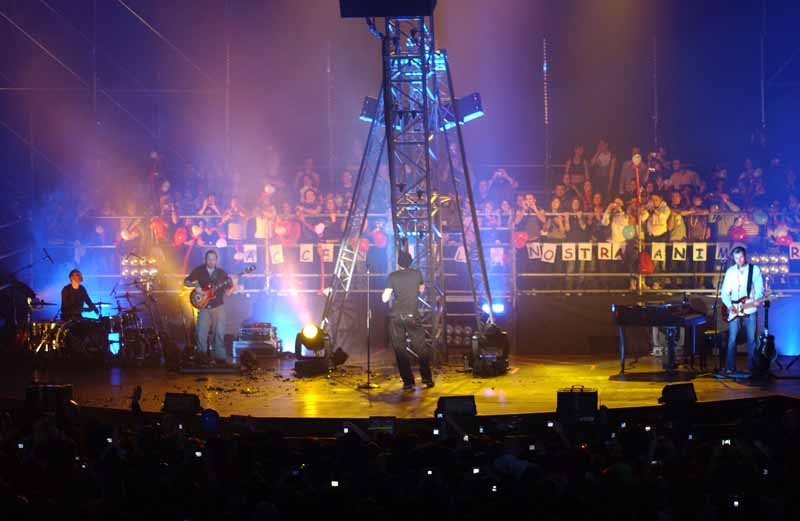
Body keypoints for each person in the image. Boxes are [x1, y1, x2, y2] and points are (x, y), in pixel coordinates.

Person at [382, 250, 433, 390]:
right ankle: (427, 379)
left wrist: (394, 293)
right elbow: (421, 289)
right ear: (410, 262)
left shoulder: (392, 276)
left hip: (397, 317)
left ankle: (408, 382)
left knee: (400, 350)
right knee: (421, 348)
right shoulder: (417, 274)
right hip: (413, 316)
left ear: (398, 263)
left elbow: (385, 298)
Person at [719, 246, 764, 375]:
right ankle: (730, 367)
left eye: (741, 257)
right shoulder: (730, 271)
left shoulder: (754, 270)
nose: (739, 260)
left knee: (751, 339)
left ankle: (752, 367)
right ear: (733, 258)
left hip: (749, 307)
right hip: (734, 308)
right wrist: (729, 306)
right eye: (736, 258)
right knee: (732, 339)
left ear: (745, 256)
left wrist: (757, 299)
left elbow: (759, 288)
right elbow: (724, 292)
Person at [184, 250, 234, 365]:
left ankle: (220, 358)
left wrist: (232, 286)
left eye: (213, 259)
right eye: (209, 259)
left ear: (216, 260)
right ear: (205, 259)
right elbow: (186, 282)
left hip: (218, 306)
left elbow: (227, 291)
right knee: (201, 333)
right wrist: (195, 285)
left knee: (219, 333)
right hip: (204, 307)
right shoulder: (199, 270)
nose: (211, 261)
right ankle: (201, 357)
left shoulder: (221, 273)